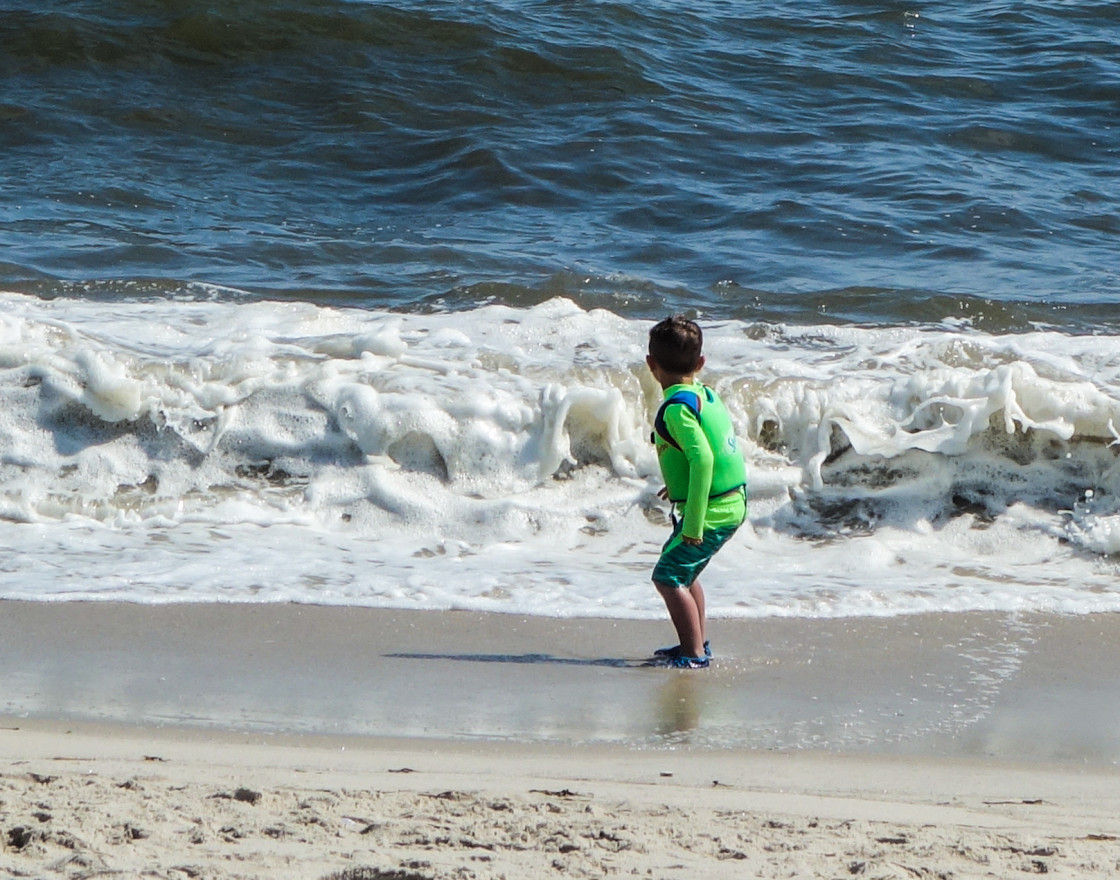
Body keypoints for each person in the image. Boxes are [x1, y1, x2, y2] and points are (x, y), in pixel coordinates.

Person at [646, 315, 747, 669]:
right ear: (701, 363)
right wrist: (676, 484)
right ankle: (696, 643)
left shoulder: (675, 409)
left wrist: (693, 524)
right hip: (732, 501)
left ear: (651, 365)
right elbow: (715, 449)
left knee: (668, 576)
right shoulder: (704, 394)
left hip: (711, 510)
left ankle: (693, 656)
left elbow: (702, 458)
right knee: (686, 575)